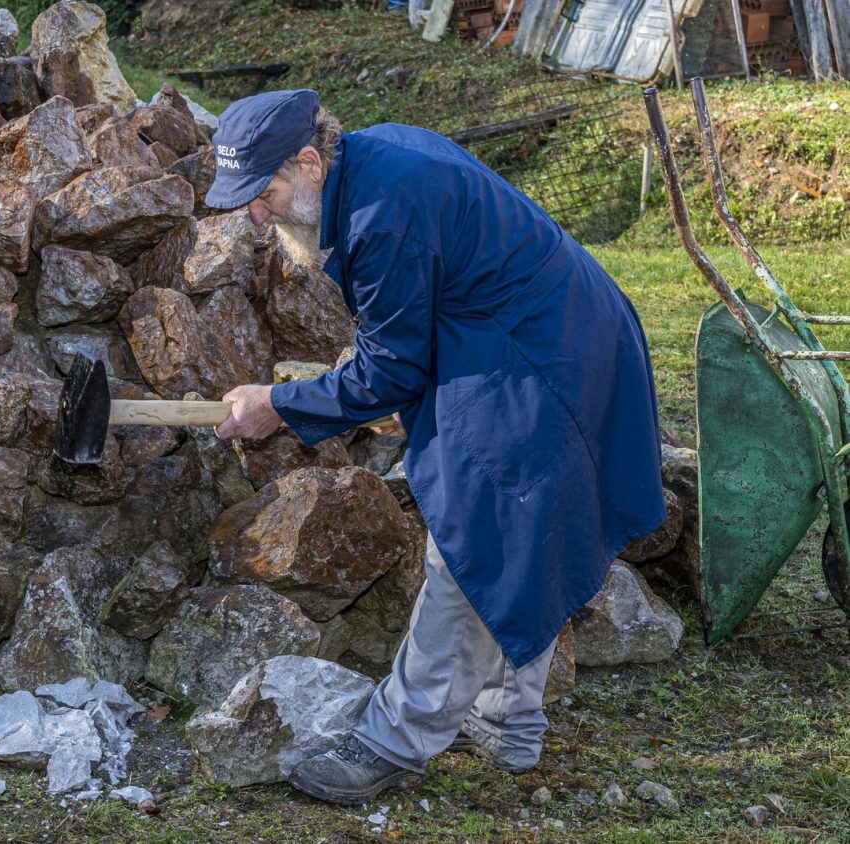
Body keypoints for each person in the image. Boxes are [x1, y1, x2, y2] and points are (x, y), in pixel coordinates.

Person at [206, 89, 667, 806]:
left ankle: (397, 738)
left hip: (544, 356)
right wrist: (384, 388)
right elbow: (413, 329)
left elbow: (392, 369)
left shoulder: (380, 214)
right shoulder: (373, 158)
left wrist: (278, 404)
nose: (256, 216)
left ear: (308, 159)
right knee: (524, 531)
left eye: (263, 193)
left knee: (477, 534)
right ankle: (507, 720)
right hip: (553, 330)